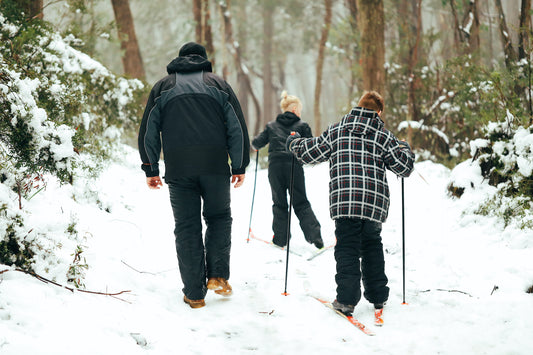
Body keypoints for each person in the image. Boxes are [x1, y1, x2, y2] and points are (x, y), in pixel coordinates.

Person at [138, 42, 250, 309]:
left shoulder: (163, 87)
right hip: (214, 165)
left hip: (178, 168)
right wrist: (239, 165)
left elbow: (148, 130)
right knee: (219, 218)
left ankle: (195, 294)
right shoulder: (218, 84)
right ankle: (218, 276)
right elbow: (237, 126)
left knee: (187, 227)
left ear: (179, 60)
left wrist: (150, 168)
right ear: (203, 60)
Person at [286, 91, 414, 319]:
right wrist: (404, 148)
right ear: (379, 112)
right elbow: (404, 167)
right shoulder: (383, 135)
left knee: (347, 248)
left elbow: (310, 152)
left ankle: (346, 300)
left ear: (358, 106)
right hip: (374, 205)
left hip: (344, 203)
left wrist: (294, 142)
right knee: (372, 245)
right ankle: (378, 296)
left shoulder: (337, 130)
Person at [251, 91, 324, 249]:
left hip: (275, 168)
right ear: (295, 109)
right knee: (301, 202)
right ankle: (315, 237)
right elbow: (310, 147)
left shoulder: (271, 126)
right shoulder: (303, 126)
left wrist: (256, 145)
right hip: (294, 167)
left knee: (279, 203)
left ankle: (280, 240)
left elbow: (256, 143)